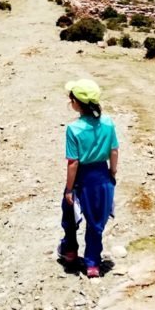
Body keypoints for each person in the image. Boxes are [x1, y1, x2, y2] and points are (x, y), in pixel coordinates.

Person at [58, 78, 119, 278]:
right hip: (102, 175)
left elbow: (73, 162)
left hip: (82, 177)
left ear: (77, 103)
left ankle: (70, 251)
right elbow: (114, 151)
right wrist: (112, 173)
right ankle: (92, 263)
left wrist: (69, 188)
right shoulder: (108, 123)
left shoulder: (74, 129)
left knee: (69, 212)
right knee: (96, 221)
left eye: (71, 98)